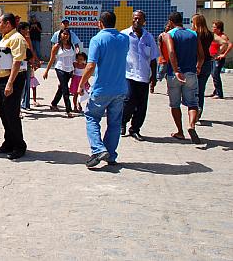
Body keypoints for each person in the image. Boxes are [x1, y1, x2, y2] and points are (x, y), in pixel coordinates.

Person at [77, 11, 129, 168]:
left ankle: (99, 149)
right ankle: (110, 155)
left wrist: (81, 84)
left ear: (100, 23)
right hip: (120, 88)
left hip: (101, 88)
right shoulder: (124, 39)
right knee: (115, 122)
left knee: (92, 117)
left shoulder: (97, 39)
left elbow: (91, 65)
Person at [0, 13, 28, 160]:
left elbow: (17, 62)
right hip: (1, 80)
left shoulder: (16, 38)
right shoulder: (6, 38)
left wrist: (10, 83)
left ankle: (19, 146)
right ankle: (9, 142)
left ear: (7, 23)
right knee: (4, 114)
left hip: (11, 80)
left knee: (12, 114)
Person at [163, 12, 204, 144]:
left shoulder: (171, 34)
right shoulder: (193, 34)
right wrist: (198, 67)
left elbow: (171, 52)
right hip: (191, 72)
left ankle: (180, 132)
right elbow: (202, 54)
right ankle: (191, 125)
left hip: (175, 74)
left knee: (175, 104)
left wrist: (176, 70)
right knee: (192, 103)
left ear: (171, 21)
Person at [120, 10, 159, 141]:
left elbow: (153, 59)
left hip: (143, 76)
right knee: (129, 100)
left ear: (144, 21)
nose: (136, 21)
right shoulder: (124, 35)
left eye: (139, 19)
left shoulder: (149, 38)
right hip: (128, 74)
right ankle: (122, 123)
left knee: (142, 105)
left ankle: (135, 129)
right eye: (135, 18)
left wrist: (153, 77)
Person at [43, 29, 76, 118]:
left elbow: (73, 59)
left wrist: (75, 69)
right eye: (64, 34)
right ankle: (68, 110)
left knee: (61, 87)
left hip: (69, 69)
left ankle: (54, 103)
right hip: (60, 68)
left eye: (67, 34)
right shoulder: (57, 46)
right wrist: (46, 71)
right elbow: (52, 59)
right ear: (60, 35)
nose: (66, 36)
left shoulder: (71, 45)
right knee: (65, 89)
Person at [191, 14, 218, 118]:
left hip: (196, 62)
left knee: (193, 89)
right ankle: (199, 109)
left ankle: (194, 110)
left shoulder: (194, 34)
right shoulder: (210, 34)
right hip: (207, 62)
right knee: (201, 89)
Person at [208, 20, 233, 99]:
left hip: (218, 58)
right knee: (213, 74)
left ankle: (219, 93)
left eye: (214, 27)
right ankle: (216, 91)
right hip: (212, 57)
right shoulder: (214, 36)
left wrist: (223, 54)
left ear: (219, 28)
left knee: (216, 74)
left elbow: (230, 44)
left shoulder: (222, 36)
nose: (213, 29)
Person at [17, 21, 38, 111]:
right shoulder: (16, 38)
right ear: (21, 29)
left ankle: (25, 104)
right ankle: (18, 105)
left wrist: (34, 61)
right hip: (18, 63)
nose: (28, 30)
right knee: (19, 85)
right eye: (26, 29)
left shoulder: (27, 38)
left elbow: (31, 50)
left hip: (27, 63)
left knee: (27, 83)